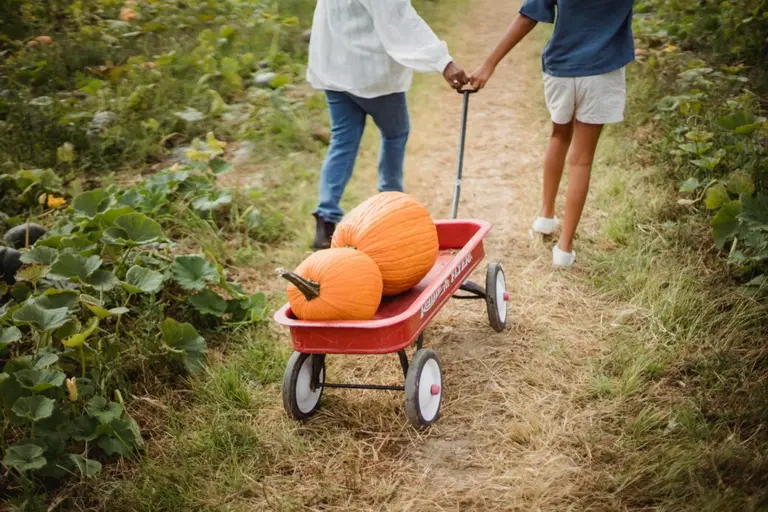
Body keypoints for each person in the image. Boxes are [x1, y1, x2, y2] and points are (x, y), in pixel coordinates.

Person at [470, 0, 634, 268]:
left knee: (558, 136)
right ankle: (564, 249)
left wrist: (489, 64)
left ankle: (545, 216)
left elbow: (528, 15)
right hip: (603, 71)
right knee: (581, 160)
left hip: (561, 68)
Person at [307, 0, 470, 249]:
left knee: (343, 141)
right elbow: (400, 20)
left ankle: (326, 219)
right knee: (395, 134)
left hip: (334, 70)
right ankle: (390, 208)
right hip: (370, 74)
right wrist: (444, 63)